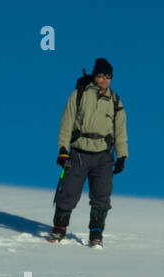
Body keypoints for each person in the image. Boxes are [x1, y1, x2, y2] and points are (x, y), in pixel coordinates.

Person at [51, 58, 127, 246]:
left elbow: (120, 130)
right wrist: (62, 149)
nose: (104, 80)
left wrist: (122, 155)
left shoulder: (115, 101)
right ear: (95, 76)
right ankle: (59, 229)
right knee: (69, 192)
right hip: (79, 152)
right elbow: (66, 123)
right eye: (101, 76)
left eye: (108, 77)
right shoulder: (78, 95)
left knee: (102, 196)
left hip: (104, 155)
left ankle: (96, 234)